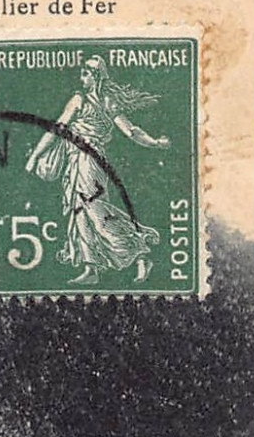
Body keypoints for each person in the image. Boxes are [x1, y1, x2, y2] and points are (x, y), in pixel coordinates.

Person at [23, 55, 171, 285]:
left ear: (96, 77)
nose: (82, 76)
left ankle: (139, 253)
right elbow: (58, 129)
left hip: (89, 161)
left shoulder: (89, 100)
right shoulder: (92, 100)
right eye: (82, 72)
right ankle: (91, 268)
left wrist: (154, 143)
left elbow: (129, 130)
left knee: (94, 209)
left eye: (86, 72)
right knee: (79, 211)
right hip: (76, 160)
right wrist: (35, 155)